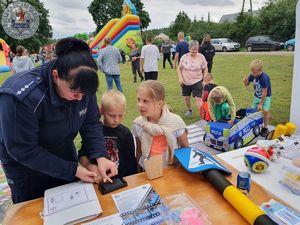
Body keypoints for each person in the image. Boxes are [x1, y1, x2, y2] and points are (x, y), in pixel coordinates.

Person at [0, 37, 117, 204]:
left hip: (63, 153)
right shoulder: (21, 97)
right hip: (26, 167)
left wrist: (100, 155)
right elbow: (23, 150)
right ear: (56, 76)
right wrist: (73, 170)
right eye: (75, 92)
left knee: (71, 205)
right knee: (33, 212)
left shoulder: (83, 86)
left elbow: (90, 122)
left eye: (84, 94)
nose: (79, 98)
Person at [79, 90, 137, 180]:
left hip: (122, 181)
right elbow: (82, 155)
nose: (116, 120)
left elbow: (131, 161)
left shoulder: (126, 133)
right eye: (111, 115)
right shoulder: (94, 134)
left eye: (120, 115)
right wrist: (90, 166)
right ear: (101, 111)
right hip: (99, 180)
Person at [132, 80, 189, 169]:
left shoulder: (176, 122)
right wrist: (138, 172)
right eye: (138, 100)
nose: (140, 105)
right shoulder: (138, 125)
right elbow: (139, 151)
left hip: (172, 171)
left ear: (159, 103)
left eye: (145, 101)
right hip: (148, 171)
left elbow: (186, 150)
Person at [177, 40, 208, 117]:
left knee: (199, 98)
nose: (195, 51)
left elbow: (205, 68)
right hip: (185, 81)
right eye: (193, 49)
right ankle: (189, 110)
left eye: (196, 49)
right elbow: (179, 68)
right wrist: (180, 78)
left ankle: (203, 114)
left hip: (197, 80)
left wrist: (204, 79)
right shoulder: (184, 57)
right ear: (189, 49)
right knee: (186, 98)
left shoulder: (201, 57)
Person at [243, 59, 272, 137]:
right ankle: (256, 126)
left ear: (260, 70)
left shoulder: (264, 78)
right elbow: (246, 84)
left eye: (254, 72)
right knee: (254, 112)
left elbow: (265, 92)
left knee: (265, 111)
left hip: (265, 97)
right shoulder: (252, 75)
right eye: (252, 72)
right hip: (256, 97)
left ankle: (265, 128)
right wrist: (245, 81)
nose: (252, 74)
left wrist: (261, 103)